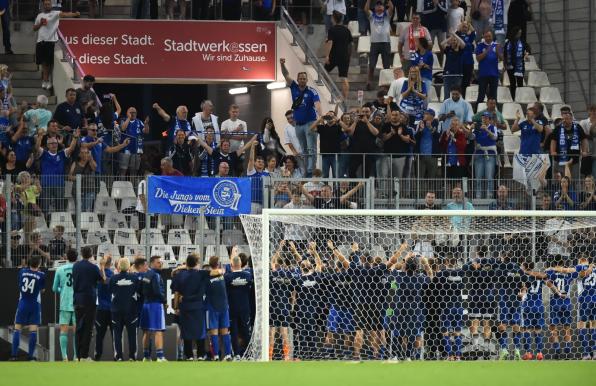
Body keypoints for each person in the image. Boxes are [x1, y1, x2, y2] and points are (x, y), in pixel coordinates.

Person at [173, 254, 226, 361]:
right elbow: (216, 272)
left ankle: (189, 356)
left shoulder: (179, 275)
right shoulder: (201, 273)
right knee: (200, 331)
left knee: (186, 331)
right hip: (198, 306)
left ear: (187, 263)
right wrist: (222, 271)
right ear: (197, 263)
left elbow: (176, 292)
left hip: (185, 306)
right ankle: (201, 355)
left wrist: (176, 307)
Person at [525, 255, 576, 359]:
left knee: (553, 329)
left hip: (555, 302)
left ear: (553, 263)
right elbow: (575, 271)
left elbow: (544, 278)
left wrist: (551, 269)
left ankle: (557, 352)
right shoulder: (569, 273)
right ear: (563, 263)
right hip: (566, 301)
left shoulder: (551, 273)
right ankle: (567, 352)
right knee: (567, 328)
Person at [280, 58, 322, 178]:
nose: (302, 80)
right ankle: (305, 171)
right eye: (300, 78)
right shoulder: (293, 87)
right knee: (304, 149)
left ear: (307, 80)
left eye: (304, 78)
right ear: (297, 80)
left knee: (311, 148)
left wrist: (321, 116)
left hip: (310, 123)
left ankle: (310, 171)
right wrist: (282, 64)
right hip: (298, 124)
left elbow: (318, 103)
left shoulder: (311, 91)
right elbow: (285, 74)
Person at [33, 0, 80, 90]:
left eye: (48, 4)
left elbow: (65, 15)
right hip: (40, 42)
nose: (47, 6)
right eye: (45, 4)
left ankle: (49, 81)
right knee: (43, 63)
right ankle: (45, 81)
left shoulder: (55, 13)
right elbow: (34, 28)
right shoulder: (39, 15)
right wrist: (40, 24)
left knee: (49, 63)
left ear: (51, 5)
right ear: (43, 6)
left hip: (50, 41)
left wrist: (75, 14)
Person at [72, 246, 106, 361]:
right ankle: (84, 356)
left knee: (79, 328)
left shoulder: (75, 266)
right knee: (88, 328)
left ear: (81, 254)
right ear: (91, 255)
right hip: (90, 300)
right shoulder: (93, 267)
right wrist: (102, 266)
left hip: (77, 299)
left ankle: (78, 356)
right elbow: (103, 280)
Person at [10, 255, 45, 361]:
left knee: (17, 328)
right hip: (35, 303)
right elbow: (42, 290)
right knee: (33, 330)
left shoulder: (22, 272)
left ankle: (14, 356)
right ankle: (31, 357)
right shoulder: (41, 274)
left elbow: (19, 284)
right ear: (39, 264)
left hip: (23, 302)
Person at [35, 129, 78, 215]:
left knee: (60, 209)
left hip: (59, 185)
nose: (54, 145)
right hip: (46, 186)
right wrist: (39, 137)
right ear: (47, 145)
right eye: (51, 143)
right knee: (45, 209)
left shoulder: (61, 154)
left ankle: (59, 225)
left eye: (55, 143)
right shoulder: (44, 153)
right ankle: (46, 226)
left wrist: (75, 138)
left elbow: (71, 148)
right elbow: (37, 148)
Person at [109, 257, 141, 361]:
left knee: (117, 334)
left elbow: (110, 291)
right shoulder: (135, 278)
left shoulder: (113, 278)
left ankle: (118, 356)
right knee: (132, 335)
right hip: (131, 310)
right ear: (129, 266)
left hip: (116, 310)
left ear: (118, 266)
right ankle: (132, 356)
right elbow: (139, 292)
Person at [224, 249, 254, 359]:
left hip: (232, 308)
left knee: (234, 331)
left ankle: (236, 353)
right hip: (245, 307)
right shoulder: (248, 276)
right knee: (246, 331)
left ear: (232, 264)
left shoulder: (227, 277)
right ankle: (248, 354)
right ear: (241, 264)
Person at [435, 254, 465, 360]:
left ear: (447, 262)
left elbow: (435, 283)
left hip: (446, 307)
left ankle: (450, 356)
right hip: (459, 306)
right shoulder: (461, 273)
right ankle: (458, 356)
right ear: (456, 261)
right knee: (457, 332)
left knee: (445, 332)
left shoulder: (443, 273)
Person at [550, 106, 589, 182]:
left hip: (574, 160)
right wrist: (552, 151)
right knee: (560, 180)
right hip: (560, 159)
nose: (565, 121)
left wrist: (584, 151)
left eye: (567, 119)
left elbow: (584, 139)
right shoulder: (558, 128)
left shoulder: (577, 127)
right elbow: (553, 140)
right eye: (564, 119)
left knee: (574, 180)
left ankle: (575, 193)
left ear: (571, 119)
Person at [205, 255, 234, 361]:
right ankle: (227, 355)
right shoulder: (222, 274)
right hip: (221, 306)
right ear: (218, 264)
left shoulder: (207, 276)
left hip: (214, 307)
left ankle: (218, 355)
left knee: (215, 332)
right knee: (224, 331)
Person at [519, 260, 548, 361]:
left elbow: (523, 290)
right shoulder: (540, 277)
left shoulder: (523, 277)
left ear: (525, 266)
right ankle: (539, 353)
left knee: (526, 330)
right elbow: (547, 279)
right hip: (539, 306)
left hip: (527, 306)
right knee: (538, 331)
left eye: (521, 265)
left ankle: (528, 353)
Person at [52, 249, 77, 361]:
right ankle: (77, 357)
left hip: (65, 302)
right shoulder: (79, 269)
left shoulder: (60, 269)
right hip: (77, 303)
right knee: (77, 331)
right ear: (77, 257)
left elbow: (54, 288)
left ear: (66, 257)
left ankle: (64, 357)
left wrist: (61, 289)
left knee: (64, 330)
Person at [141, 255, 167, 362]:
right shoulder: (155, 275)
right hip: (156, 305)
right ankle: (160, 356)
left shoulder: (146, 274)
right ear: (151, 264)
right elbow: (157, 291)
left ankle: (146, 356)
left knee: (147, 331)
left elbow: (143, 290)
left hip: (146, 304)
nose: (160, 264)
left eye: (161, 262)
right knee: (158, 330)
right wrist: (164, 301)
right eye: (158, 262)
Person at [364, 0, 394, 90]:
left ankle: (386, 85)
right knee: (372, 65)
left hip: (385, 43)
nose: (379, 6)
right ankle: (369, 82)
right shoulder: (372, 15)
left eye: (381, 5)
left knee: (386, 65)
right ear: (375, 8)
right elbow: (366, 9)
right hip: (374, 43)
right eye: (377, 5)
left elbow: (392, 7)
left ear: (384, 7)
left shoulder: (387, 15)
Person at [324, 11, 353, 101]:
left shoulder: (332, 30)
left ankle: (326, 90)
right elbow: (351, 44)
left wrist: (327, 55)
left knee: (323, 73)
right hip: (345, 56)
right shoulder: (346, 30)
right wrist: (349, 56)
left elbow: (330, 42)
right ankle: (344, 98)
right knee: (344, 78)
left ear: (333, 18)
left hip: (334, 56)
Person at [344, 106, 379, 178]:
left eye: (367, 112)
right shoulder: (356, 123)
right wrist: (355, 122)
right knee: (351, 171)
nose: (365, 113)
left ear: (370, 112)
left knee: (366, 174)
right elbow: (350, 133)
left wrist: (367, 122)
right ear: (360, 113)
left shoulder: (373, 123)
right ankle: (356, 188)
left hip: (368, 153)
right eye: (363, 112)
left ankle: (365, 189)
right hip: (356, 153)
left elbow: (376, 133)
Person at [472, 111, 499, 199]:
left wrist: (487, 130)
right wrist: (470, 129)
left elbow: (495, 137)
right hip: (479, 154)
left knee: (489, 177)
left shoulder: (493, 127)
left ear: (490, 120)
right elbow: (471, 137)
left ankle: (489, 196)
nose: (484, 119)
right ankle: (478, 196)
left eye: (486, 118)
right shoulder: (477, 128)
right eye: (483, 117)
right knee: (478, 177)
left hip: (490, 155)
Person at [311, 110, 344, 178]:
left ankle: (336, 189)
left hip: (335, 155)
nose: (329, 117)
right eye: (327, 115)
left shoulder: (338, 127)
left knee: (336, 175)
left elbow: (346, 129)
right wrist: (320, 119)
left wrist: (337, 119)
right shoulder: (322, 127)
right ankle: (325, 188)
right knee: (325, 175)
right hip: (325, 155)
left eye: (331, 115)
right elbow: (311, 128)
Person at [94, 256, 114, 361]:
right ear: (110, 264)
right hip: (110, 309)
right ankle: (117, 355)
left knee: (99, 335)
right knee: (114, 334)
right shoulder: (113, 274)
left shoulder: (103, 274)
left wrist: (101, 267)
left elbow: (105, 281)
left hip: (102, 309)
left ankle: (98, 356)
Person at [119, 107, 149, 177]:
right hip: (125, 149)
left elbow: (146, 131)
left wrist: (146, 124)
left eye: (134, 112)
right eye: (131, 112)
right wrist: (128, 118)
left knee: (134, 171)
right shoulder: (123, 120)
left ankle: (133, 187)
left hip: (136, 149)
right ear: (127, 113)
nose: (132, 114)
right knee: (123, 170)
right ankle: (121, 187)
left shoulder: (139, 122)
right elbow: (123, 128)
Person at [475, 30, 502, 105]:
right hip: (483, 75)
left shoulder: (497, 45)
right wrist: (486, 52)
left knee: (493, 97)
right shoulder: (480, 45)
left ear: (492, 36)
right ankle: (477, 112)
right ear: (483, 37)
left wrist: (498, 52)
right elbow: (478, 59)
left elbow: (502, 58)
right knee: (481, 96)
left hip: (494, 75)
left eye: (489, 36)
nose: (488, 38)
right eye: (486, 36)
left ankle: (494, 114)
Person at [68, 147, 97, 212]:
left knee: (86, 209)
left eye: (86, 153)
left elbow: (95, 168)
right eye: (82, 153)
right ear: (79, 154)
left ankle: (84, 221)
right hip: (77, 190)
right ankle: (78, 221)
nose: (84, 154)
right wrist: (78, 178)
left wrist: (91, 159)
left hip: (89, 189)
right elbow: (70, 176)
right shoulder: (75, 163)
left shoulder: (90, 163)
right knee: (78, 208)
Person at [414, 109, 441, 180]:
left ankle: (431, 191)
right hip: (421, 155)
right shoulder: (420, 123)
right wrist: (420, 130)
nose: (424, 115)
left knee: (432, 178)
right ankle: (419, 191)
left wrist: (431, 128)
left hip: (432, 156)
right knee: (419, 178)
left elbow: (439, 137)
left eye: (426, 114)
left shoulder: (437, 123)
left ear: (431, 116)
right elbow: (415, 137)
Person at [503, 26, 528, 99]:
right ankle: (513, 98)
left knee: (520, 83)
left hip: (519, 66)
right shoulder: (508, 42)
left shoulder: (522, 42)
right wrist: (504, 64)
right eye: (519, 33)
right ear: (515, 33)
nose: (520, 34)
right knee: (512, 83)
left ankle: (520, 98)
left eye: (520, 33)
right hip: (510, 66)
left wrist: (527, 53)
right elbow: (505, 54)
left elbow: (528, 49)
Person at [441, 33, 465, 98]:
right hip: (447, 75)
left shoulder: (460, 49)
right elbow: (442, 44)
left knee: (457, 95)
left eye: (455, 40)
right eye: (452, 40)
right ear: (450, 42)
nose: (454, 41)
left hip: (458, 75)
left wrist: (455, 35)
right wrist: (450, 37)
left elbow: (463, 44)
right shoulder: (448, 49)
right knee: (447, 95)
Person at [456, 22, 477, 98]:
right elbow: (456, 32)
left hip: (469, 63)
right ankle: (459, 97)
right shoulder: (458, 36)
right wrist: (462, 24)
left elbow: (473, 31)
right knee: (459, 82)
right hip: (460, 62)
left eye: (466, 27)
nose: (464, 28)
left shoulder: (470, 37)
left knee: (467, 82)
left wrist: (468, 23)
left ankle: (464, 98)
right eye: (463, 27)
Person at [579, 104, 596, 179]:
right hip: (587, 152)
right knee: (587, 174)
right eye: (592, 110)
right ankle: (588, 190)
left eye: (595, 110)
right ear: (589, 111)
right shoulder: (583, 122)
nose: (594, 112)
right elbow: (582, 135)